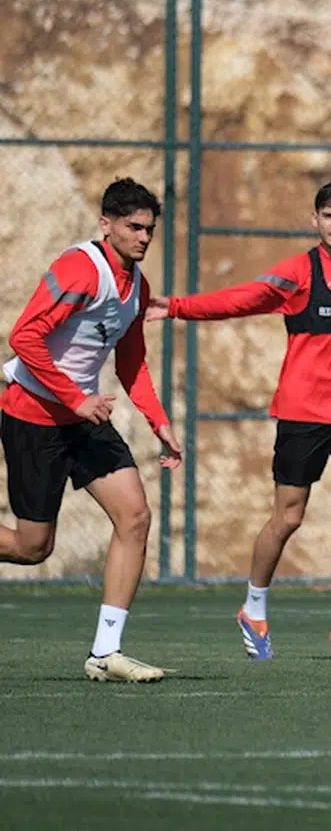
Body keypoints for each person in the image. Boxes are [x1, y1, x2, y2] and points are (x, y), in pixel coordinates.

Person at [148, 181, 331, 660]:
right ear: (315, 220)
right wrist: (177, 307)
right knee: (288, 517)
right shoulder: (298, 272)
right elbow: (242, 299)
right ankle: (253, 609)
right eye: (329, 216)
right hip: (302, 412)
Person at [0, 177, 183, 682]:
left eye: (149, 229)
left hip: (84, 419)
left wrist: (160, 423)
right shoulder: (80, 269)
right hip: (34, 415)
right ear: (106, 225)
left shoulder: (137, 287)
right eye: (133, 227)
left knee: (135, 516)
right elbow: (24, 336)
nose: (143, 237)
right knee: (32, 547)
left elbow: (132, 362)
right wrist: (75, 397)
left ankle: (106, 652)